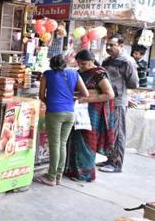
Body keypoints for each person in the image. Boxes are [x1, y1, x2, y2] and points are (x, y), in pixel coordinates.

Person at [37, 54, 89, 186]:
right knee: (62, 144)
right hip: (70, 113)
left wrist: (50, 102)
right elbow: (86, 94)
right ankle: (58, 177)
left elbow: (41, 95)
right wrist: (72, 97)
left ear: (51, 64)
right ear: (64, 64)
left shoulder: (47, 74)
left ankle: (51, 177)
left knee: (55, 144)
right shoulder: (74, 74)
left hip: (55, 112)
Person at [65, 50, 115, 182]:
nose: (81, 66)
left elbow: (109, 94)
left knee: (87, 139)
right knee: (75, 138)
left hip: (92, 111)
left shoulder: (99, 74)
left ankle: (86, 174)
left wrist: (87, 99)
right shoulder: (79, 72)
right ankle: (73, 170)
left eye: (84, 63)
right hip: (78, 108)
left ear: (92, 61)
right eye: (79, 64)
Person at [99, 34, 139, 173]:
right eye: (107, 45)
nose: (108, 47)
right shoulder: (107, 61)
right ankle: (110, 158)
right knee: (110, 132)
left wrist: (121, 92)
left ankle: (117, 164)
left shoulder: (127, 62)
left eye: (112, 45)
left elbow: (133, 83)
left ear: (121, 46)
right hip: (106, 100)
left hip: (118, 101)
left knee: (118, 132)